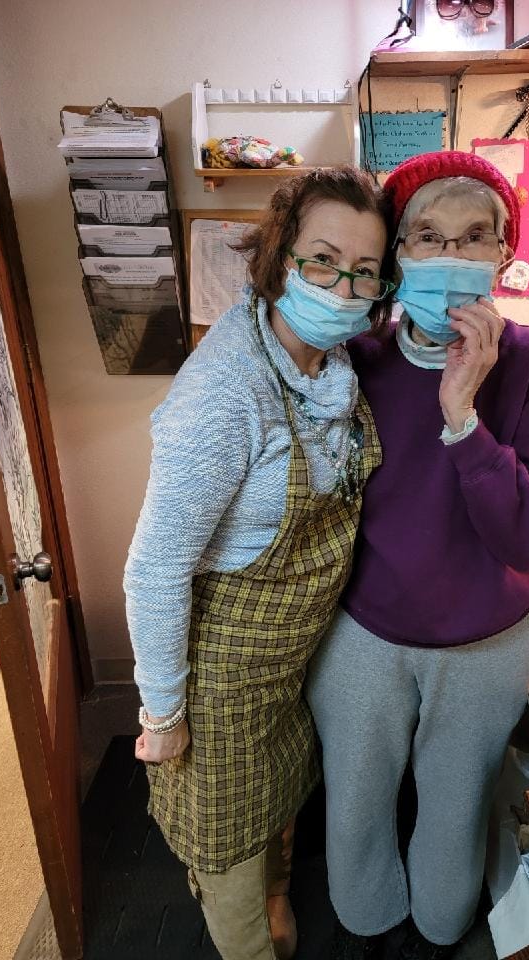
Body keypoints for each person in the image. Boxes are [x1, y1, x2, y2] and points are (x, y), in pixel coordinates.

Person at [306, 151, 529, 960]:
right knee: (355, 799)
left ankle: (440, 929)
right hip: (367, 630)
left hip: (486, 642)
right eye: (427, 236)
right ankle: (363, 921)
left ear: (504, 252)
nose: (451, 256)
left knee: (456, 806)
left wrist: (464, 415)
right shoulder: (357, 358)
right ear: (397, 255)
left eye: (474, 236)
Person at [123, 167, 396, 960]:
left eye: (365, 271)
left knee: (281, 801)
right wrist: (162, 716)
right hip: (221, 682)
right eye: (323, 261)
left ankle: (278, 891)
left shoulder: (333, 366)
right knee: (228, 849)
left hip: (293, 661)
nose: (343, 288)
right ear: (280, 259)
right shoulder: (224, 392)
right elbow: (153, 570)